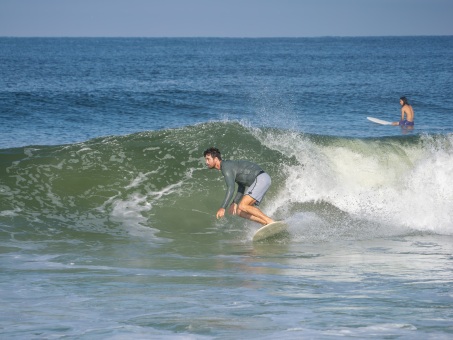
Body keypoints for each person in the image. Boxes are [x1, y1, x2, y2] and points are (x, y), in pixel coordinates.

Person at [204, 147, 274, 226]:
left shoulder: (226, 167)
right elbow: (242, 185)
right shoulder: (229, 167)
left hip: (261, 178)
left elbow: (231, 188)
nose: (206, 162)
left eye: (208, 159)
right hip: (262, 180)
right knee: (240, 211)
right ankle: (265, 223)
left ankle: (269, 221)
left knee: (243, 205)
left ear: (216, 159)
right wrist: (235, 202)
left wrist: (223, 207)